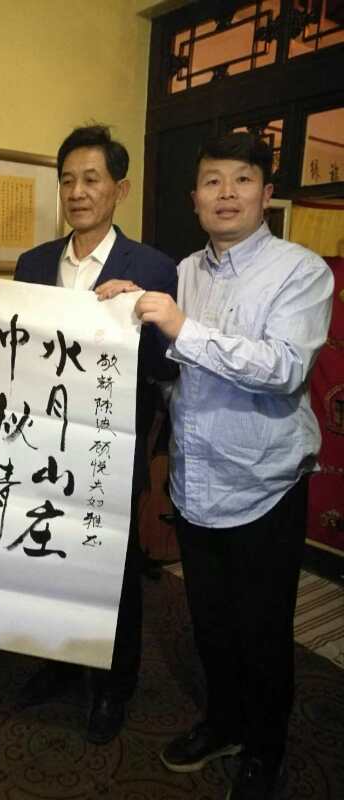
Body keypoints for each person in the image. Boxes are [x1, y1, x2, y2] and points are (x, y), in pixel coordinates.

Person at [0, 124, 177, 743]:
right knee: (47, 552)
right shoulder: (33, 264)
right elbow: (14, 353)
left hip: (110, 444)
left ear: (119, 189)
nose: (78, 192)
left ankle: (114, 686)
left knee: (113, 567)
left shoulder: (152, 267)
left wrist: (139, 316)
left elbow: (166, 370)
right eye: (68, 180)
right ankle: (58, 661)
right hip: (41, 442)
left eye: (92, 179)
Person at [135, 132, 334, 800]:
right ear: (194, 198)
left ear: (266, 193)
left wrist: (181, 328)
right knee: (210, 622)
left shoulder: (301, 271)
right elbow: (173, 369)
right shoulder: (184, 271)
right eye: (212, 180)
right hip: (196, 480)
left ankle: (265, 749)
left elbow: (285, 369)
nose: (226, 194)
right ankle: (223, 723)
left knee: (263, 630)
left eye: (242, 179)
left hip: (264, 484)